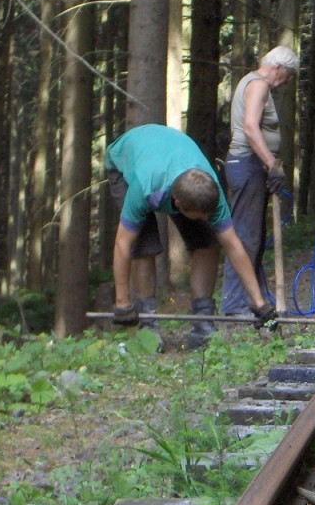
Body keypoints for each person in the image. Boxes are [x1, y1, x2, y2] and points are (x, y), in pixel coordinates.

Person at [106, 123, 278, 349]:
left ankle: (203, 323)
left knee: (208, 241)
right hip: (125, 162)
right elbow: (122, 244)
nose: (205, 218)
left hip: (171, 158)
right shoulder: (145, 187)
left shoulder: (210, 190)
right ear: (177, 204)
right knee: (143, 247)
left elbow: (234, 246)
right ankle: (147, 324)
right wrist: (122, 302)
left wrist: (259, 303)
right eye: (199, 215)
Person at [220, 45, 300, 316]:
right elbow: (251, 128)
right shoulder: (259, 85)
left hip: (250, 166)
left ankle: (258, 300)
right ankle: (235, 304)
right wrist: (271, 164)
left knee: (253, 236)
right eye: (288, 75)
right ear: (278, 68)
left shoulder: (250, 82)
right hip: (248, 165)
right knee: (244, 237)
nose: (287, 82)